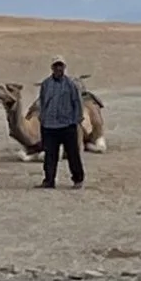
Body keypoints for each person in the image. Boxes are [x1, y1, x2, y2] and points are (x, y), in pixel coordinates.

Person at [37, 58, 86, 188]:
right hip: (49, 126)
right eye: (56, 66)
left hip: (67, 125)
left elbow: (77, 102)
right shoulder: (46, 84)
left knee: (72, 154)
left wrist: (76, 120)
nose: (58, 68)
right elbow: (42, 101)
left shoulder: (71, 84)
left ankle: (78, 179)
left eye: (61, 66)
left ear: (64, 67)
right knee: (50, 156)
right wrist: (42, 118)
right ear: (52, 68)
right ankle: (49, 180)